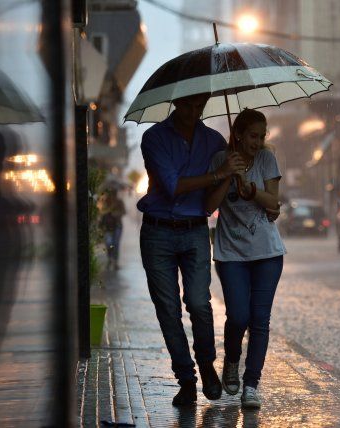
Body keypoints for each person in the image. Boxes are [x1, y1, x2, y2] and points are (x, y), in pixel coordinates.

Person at [137, 92, 246, 406]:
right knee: (168, 311)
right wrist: (217, 173)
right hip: (158, 232)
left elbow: (220, 194)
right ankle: (186, 378)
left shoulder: (214, 142)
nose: (194, 111)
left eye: (200, 106)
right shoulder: (154, 138)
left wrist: (233, 163)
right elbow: (171, 185)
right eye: (188, 105)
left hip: (195, 230)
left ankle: (207, 363)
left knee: (199, 302)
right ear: (175, 103)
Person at [204, 108, 286, 409]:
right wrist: (226, 174)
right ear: (238, 134)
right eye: (253, 135)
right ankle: (232, 360)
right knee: (238, 316)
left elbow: (273, 203)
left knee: (259, 320)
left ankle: (251, 384)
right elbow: (208, 206)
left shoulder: (266, 159)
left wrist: (251, 189)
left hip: (267, 252)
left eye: (262, 136)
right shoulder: (218, 160)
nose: (258, 141)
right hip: (231, 253)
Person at [99, 189, 126, 270]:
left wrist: (115, 214)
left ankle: (115, 262)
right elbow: (102, 211)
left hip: (117, 225)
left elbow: (124, 211)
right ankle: (110, 258)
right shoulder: (106, 201)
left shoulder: (119, 202)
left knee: (116, 244)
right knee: (109, 243)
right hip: (108, 226)